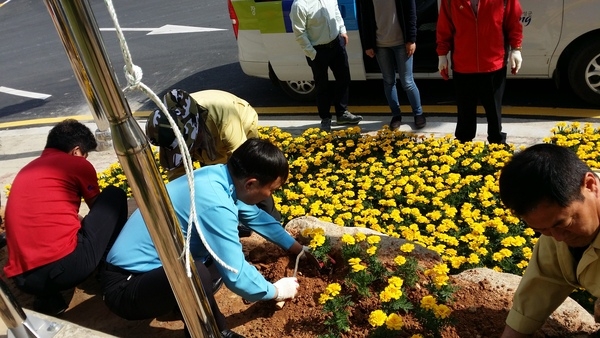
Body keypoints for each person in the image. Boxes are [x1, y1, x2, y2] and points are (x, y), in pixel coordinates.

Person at [100, 138, 307, 338]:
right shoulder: (216, 202)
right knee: (197, 272)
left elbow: (255, 216)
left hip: (155, 272)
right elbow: (236, 275)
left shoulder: (220, 177)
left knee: (215, 261)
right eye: (271, 189)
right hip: (125, 286)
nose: (270, 195)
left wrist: (296, 248)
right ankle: (214, 331)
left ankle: (178, 301)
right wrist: (277, 291)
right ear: (251, 184)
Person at [3, 119, 128, 316]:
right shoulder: (74, 164)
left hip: (24, 280)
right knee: (114, 195)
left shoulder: (28, 170)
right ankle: (109, 272)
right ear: (77, 151)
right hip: (68, 268)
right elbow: (100, 212)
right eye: (85, 156)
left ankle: (49, 300)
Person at [498, 143, 600, 337]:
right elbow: (543, 281)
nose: (558, 238)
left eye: (564, 224)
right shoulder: (554, 227)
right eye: (541, 230)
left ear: (589, 185)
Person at [146, 88, 281, 227]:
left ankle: (273, 221)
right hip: (206, 136)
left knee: (254, 177)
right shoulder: (168, 130)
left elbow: (245, 166)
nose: (187, 151)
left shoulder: (226, 120)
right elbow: (179, 178)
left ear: (197, 129)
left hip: (240, 122)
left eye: (188, 145)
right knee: (212, 183)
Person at [436, 0, 523, 144]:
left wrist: (516, 48)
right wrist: (442, 54)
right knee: (465, 110)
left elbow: (513, 21)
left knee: (494, 110)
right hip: (463, 64)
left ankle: (497, 144)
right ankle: (463, 144)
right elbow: (444, 26)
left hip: (493, 63)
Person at [290, 0, 363, 132]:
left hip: (336, 44)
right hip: (317, 51)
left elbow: (336, 13)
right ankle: (325, 118)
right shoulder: (299, 5)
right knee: (322, 85)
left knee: (344, 78)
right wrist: (313, 54)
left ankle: (342, 113)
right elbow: (299, 33)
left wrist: (342, 30)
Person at [358, 0, 426, 130]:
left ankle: (418, 113)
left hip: (402, 43)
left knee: (407, 82)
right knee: (389, 81)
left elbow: (411, 14)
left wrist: (411, 39)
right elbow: (365, 19)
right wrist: (368, 45)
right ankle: (396, 115)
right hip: (380, 45)